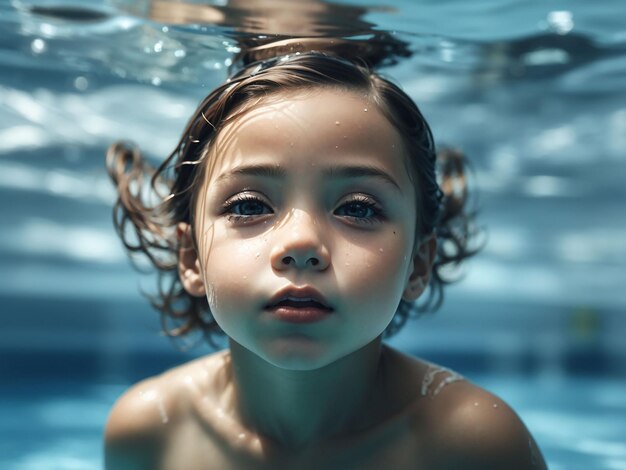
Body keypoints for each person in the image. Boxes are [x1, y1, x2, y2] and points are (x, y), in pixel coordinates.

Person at [104, 52, 547, 469]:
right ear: (192, 258)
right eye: (248, 205)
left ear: (417, 263)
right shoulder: (149, 431)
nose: (301, 243)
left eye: (357, 208)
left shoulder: (474, 446)